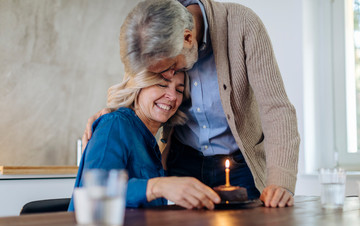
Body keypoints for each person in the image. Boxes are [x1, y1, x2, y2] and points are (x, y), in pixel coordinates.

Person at [83, 0, 300, 208]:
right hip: (183, 162)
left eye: (172, 69)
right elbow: (139, 91)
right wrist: (111, 117)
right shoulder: (152, 32)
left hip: (238, 166)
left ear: (188, 38)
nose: (169, 76)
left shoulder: (243, 24)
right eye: (159, 76)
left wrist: (281, 182)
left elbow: (276, 108)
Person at [68, 70, 221, 211]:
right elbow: (95, 192)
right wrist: (157, 186)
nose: (173, 96)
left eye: (179, 90)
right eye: (162, 84)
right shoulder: (115, 124)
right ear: (138, 85)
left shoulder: (152, 144)